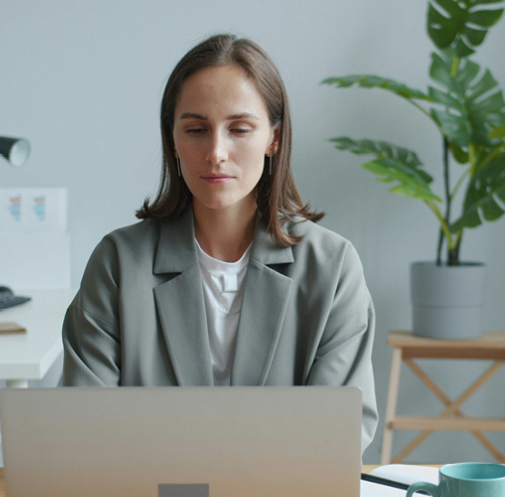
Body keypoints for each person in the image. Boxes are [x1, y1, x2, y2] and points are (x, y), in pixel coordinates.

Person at [61, 34, 377, 453]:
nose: (215, 152)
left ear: (274, 139)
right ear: (172, 139)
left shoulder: (333, 266)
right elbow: (84, 424)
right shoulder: (118, 263)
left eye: (239, 129)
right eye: (196, 129)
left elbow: (339, 431)